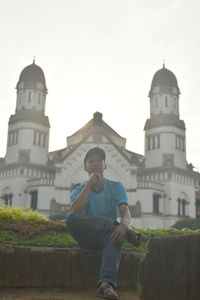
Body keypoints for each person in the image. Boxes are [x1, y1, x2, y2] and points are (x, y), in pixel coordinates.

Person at [66, 147, 140, 300]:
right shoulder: (78, 189)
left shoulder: (116, 186)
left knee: (115, 234)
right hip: (87, 238)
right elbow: (75, 210)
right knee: (71, 218)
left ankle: (106, 284)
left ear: (105, 165)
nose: (96, 164)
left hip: (108, 237)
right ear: (85, 167)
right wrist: (89, 184)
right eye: (91, 161)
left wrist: (123, 226)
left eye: (99, 160)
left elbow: (125, 212)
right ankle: (119, 228)